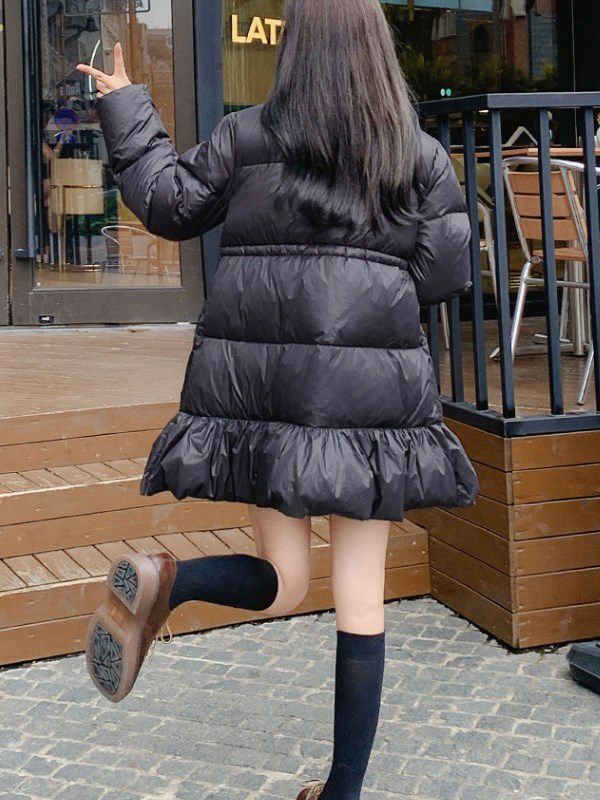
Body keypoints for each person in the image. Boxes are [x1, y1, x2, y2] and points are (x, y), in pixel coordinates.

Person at [77, 2, 478, 798]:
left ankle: (170, 579)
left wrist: (125, 104)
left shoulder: (246, 136)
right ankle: (342, 793)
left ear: (294, 50)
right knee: (358, 596)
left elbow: (170, 202)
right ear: (377, 51)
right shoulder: (416, 156)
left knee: (285, 578)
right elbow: (443, 275)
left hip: (265, 393)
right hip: (367, 401)